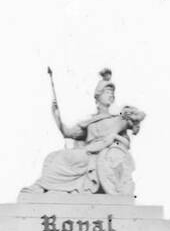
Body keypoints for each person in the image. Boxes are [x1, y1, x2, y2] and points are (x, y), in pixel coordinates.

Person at [20, 68, 146, 197]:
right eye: (107, 92)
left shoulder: (118, 119)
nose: (111, 95)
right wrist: (57, 117)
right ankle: (43, 186)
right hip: (87, 152)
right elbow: (67, 133)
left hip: (99, 156)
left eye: (112, 93)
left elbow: (140, 116)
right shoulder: (89, 122)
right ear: (98, 97)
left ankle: (43, 185)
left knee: (62, 159)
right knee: (53, 157)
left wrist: (115, 136)